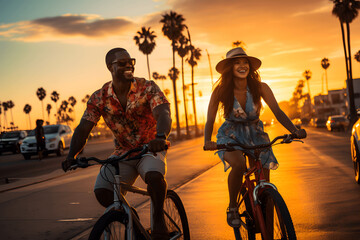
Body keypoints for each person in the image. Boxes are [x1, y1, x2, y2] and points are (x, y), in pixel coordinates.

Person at [61, 48, 172, 240]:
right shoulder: (99, 97)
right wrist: (72, 155)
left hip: (150, 147)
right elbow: (83, 129)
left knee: (154, 176)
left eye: (131, 61)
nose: (129, 64)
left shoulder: (147, 87)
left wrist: (160, 137)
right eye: (122, 63)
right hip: (123, 152)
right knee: (102, 191)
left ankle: (158, 219)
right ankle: (131, 219)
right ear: (109, 67)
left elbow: (163, 113)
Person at [203, 47, 306, 227]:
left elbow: (278, 112)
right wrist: (207, 141)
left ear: (251, 67)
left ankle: (266, 227)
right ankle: (233, 207)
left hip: (256, 135)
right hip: (230, 136)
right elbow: (210, 119)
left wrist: (295, 129)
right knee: (239, 164)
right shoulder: (220, 91)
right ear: (230, 68)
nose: (242, 66)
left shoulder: (261, 88)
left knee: (265, 186)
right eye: (237, 63)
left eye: (245, 62)